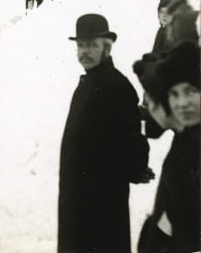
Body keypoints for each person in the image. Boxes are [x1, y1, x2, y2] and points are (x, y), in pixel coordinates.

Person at [58, 13, 151, 253]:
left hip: (100, 209)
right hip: (78, 202)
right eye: (81, 45)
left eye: (92, 45)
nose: (85, 52)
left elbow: (133, 146)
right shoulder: (89, 82)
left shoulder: (117, 86)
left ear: (107, 48)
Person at [133, 42, 200, 253]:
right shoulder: (187, 133)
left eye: (191, 91)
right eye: (175, 94)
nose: (182, 103)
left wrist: (165, 225)